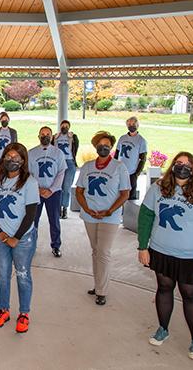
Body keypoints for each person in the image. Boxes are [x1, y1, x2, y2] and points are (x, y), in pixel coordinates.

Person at [137, 152, 193, 361]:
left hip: (190, 256)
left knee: (190, 295)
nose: (182, 167)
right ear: (172, 165)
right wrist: (142, 246)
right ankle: (163, 328)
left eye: (187, 164)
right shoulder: (158, 188)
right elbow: (146, 217)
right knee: (164, 288)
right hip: (161, 250)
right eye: (178, 163)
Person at [0, 143, 39, 333]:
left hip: (23, 239)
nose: (12, 160)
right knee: (2, 276)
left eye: (16, 157)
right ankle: (3, 310)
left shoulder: (29, 182)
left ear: (23, 161)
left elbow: (31, 213)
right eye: (8, 157)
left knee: (23, 276)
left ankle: (24, 313)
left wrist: (16, 237)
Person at [75, 131, 130, 305]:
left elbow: (124, 194)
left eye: (107, 145)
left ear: (111, 147)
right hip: (90, 215)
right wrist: (86, 208)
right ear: (95, 146)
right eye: (100, 145)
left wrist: (110, 210)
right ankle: (98, 283)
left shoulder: (119, 167)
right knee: (96, 250)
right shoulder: (87, 166)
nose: (103, 147)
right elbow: (79, 190)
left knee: (104, 251)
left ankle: (102, 291)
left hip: (110, 217)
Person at [28, 126, 67, 257]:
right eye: (42, 134)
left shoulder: (58, 153)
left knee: (54, 220)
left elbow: (61, 173)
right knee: (33, 220)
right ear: (38, 136)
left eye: (48, 134)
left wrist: (51, 189)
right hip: (35, 192)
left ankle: (56, 246)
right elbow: (27, 174)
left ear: (52, 136)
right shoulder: (31, 153)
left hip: (54, 193)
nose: (45, 136)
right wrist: (37, 189)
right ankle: (31, 245)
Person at [115, 116, 147, 200]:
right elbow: (116, 153)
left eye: (133, 124)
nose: (131, 125)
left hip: (132, 171)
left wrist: (137, 173)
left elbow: (143, 158)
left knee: (130, 196)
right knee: (118, 193)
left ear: (137, 125)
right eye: (129, 124)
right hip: (120, 170)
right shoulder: (122, 138)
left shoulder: (141, 140)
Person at [52, 119, 79, 219]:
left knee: (66, 187)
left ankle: (65, 208)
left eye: (66, 126)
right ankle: (58, 208)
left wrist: (73, 138)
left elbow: (76, 147)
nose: (64, 128)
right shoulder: (55, 137)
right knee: (58, 186)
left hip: (69, 162)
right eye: (63, 126)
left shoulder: (72, 136)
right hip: (58, 163)